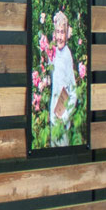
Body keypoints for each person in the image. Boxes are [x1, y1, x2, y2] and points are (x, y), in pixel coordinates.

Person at [40, 8, 78, 143]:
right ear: (54, 34)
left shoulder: (67, 56)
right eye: (58, 32)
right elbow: (51, 79)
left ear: (66, 34)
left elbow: (74, 92)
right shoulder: (53, 53)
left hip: (62, 123)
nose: (60, 37)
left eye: (62, 32)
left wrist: (65, 116)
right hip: (53, 118)